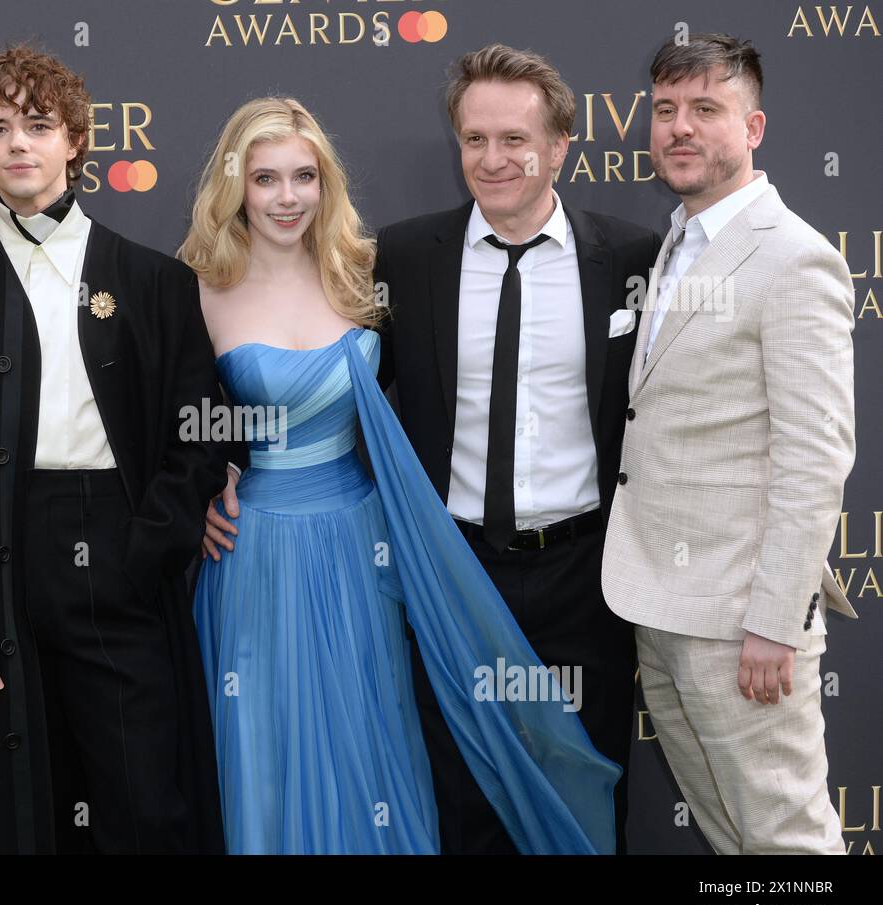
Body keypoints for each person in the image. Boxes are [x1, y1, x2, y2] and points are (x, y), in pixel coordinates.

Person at [207, 46, 660, 854]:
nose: (494, 159)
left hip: (584, 575)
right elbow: (214, 372)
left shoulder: (630, 258)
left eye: (516, 139)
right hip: (441, 564)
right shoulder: (401, 260)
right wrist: (219, 466)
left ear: (560, 145)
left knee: (585, 787)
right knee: (455, 796)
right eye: (475, 138)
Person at [0, 44, 226, 854]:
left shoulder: (156, 282)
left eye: (39, 125)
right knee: (18, 805)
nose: (19, 143)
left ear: (77, 139)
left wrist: (149, 547)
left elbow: (198, 431)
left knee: (143, 794)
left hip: (119, 545)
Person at [601, 34, 856, 855]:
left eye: (705, 109)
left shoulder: (794, 258)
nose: (680, 128)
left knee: (786, 843)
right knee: (731, 840)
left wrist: (776, 623)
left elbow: (815, 457)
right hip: (663, 607)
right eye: (666, 110)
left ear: (754, 126)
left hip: (745, 624)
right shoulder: (678, 241)